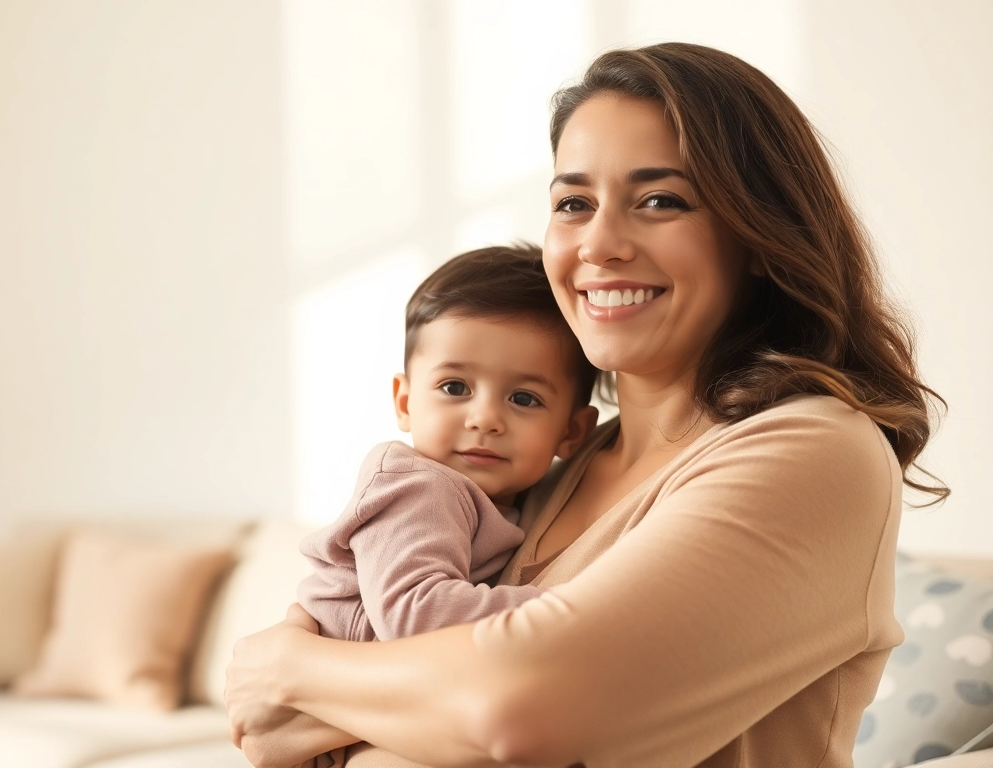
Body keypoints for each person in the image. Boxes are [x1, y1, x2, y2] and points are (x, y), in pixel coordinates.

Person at [225, 41, 946, 768]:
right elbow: (427, 678)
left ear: (759, 235)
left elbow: (521, 710)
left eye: (660, 201)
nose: (599, 244)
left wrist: (289, 672)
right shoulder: (544, 466)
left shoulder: (812, 451)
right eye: (574, 203)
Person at [296, 246, 597, 767]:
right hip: (328, 736)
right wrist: (582, 608)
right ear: (406, 401)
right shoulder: (417, 486)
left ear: (571, 431)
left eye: (523, 398)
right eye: (455, 387)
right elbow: (417, 614)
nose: (484, 418)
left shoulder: (521, 498)